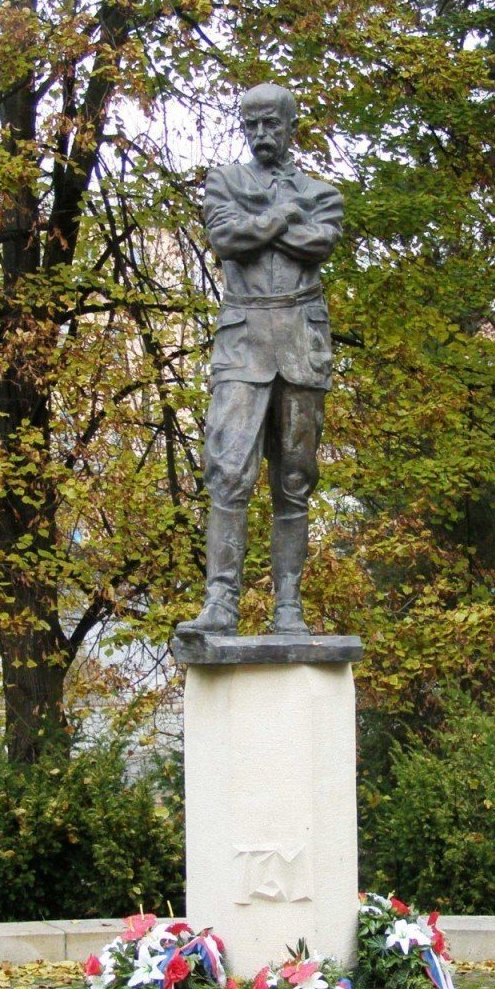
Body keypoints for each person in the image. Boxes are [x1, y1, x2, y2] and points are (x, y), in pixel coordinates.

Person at [177, 83, 344, 638]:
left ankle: (289, 607)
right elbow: (225, 238)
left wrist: (263, 224)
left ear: (291, 125)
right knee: (227, 471)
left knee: (295, 479)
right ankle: (221, 601)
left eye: (272, 123)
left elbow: (320, 242)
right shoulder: (225, 181)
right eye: (252, 124)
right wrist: (282, 219)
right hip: (244, 342)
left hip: (301, 341)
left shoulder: (323, 192)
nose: (261, 134)